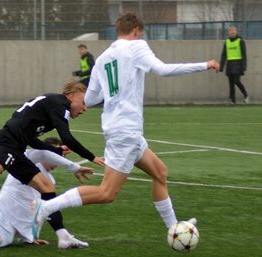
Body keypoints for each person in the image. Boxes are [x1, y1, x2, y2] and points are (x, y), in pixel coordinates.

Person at [31, 13, 220, 239]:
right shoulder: (137, 46)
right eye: (142, 32)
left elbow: (89, 99)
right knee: (106, 193)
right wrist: (205, 64)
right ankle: (47, 208)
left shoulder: (103, 58)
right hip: (125, 130)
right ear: (137, 30)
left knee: (160, 172)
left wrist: (64, 110)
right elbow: (162, 69)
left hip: (122, 129)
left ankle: (173, 230)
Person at [220, 26, 248, 105]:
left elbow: (244, 54)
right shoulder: (227, 42)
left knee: (236, 81)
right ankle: (232, 100)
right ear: (228, 33)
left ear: (236, 32)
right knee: (231, 83)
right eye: (231, 31)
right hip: (230, 64)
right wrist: (221, 66)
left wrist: (244, 66)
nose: (232, 33)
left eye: (234, 31)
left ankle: (246, 95)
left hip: (238, 64)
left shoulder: (240, 41)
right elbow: (224, 55)